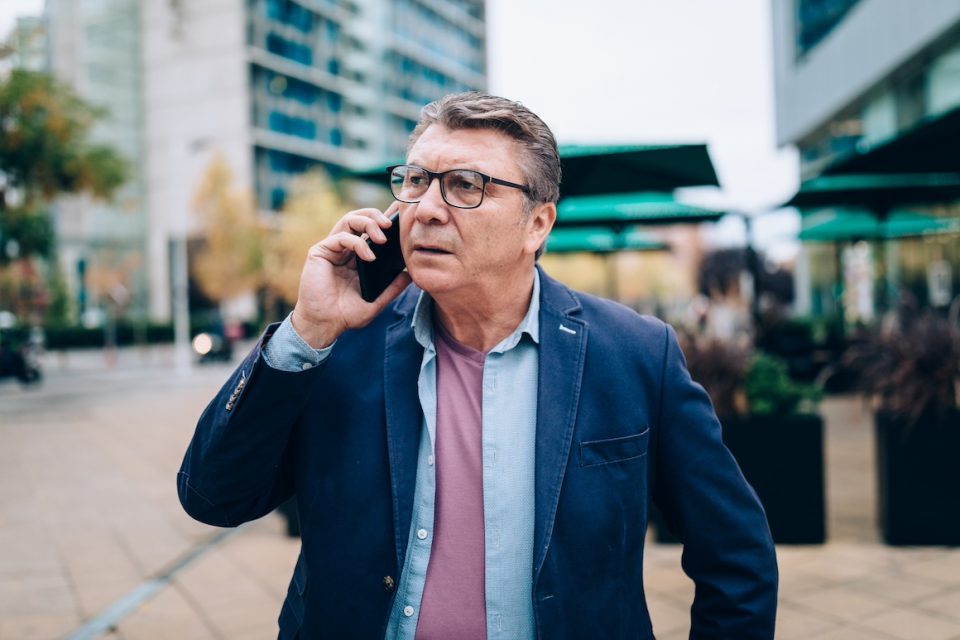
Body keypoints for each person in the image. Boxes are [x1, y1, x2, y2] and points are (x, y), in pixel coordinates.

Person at [178, 92, 777, 639]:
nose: (428, 209)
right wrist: (305, 330)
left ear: (537, 224)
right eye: (416, 180)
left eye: (466, 185)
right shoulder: (338, 342)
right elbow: (213, 497)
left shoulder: (635, 354)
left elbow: (736, 561)